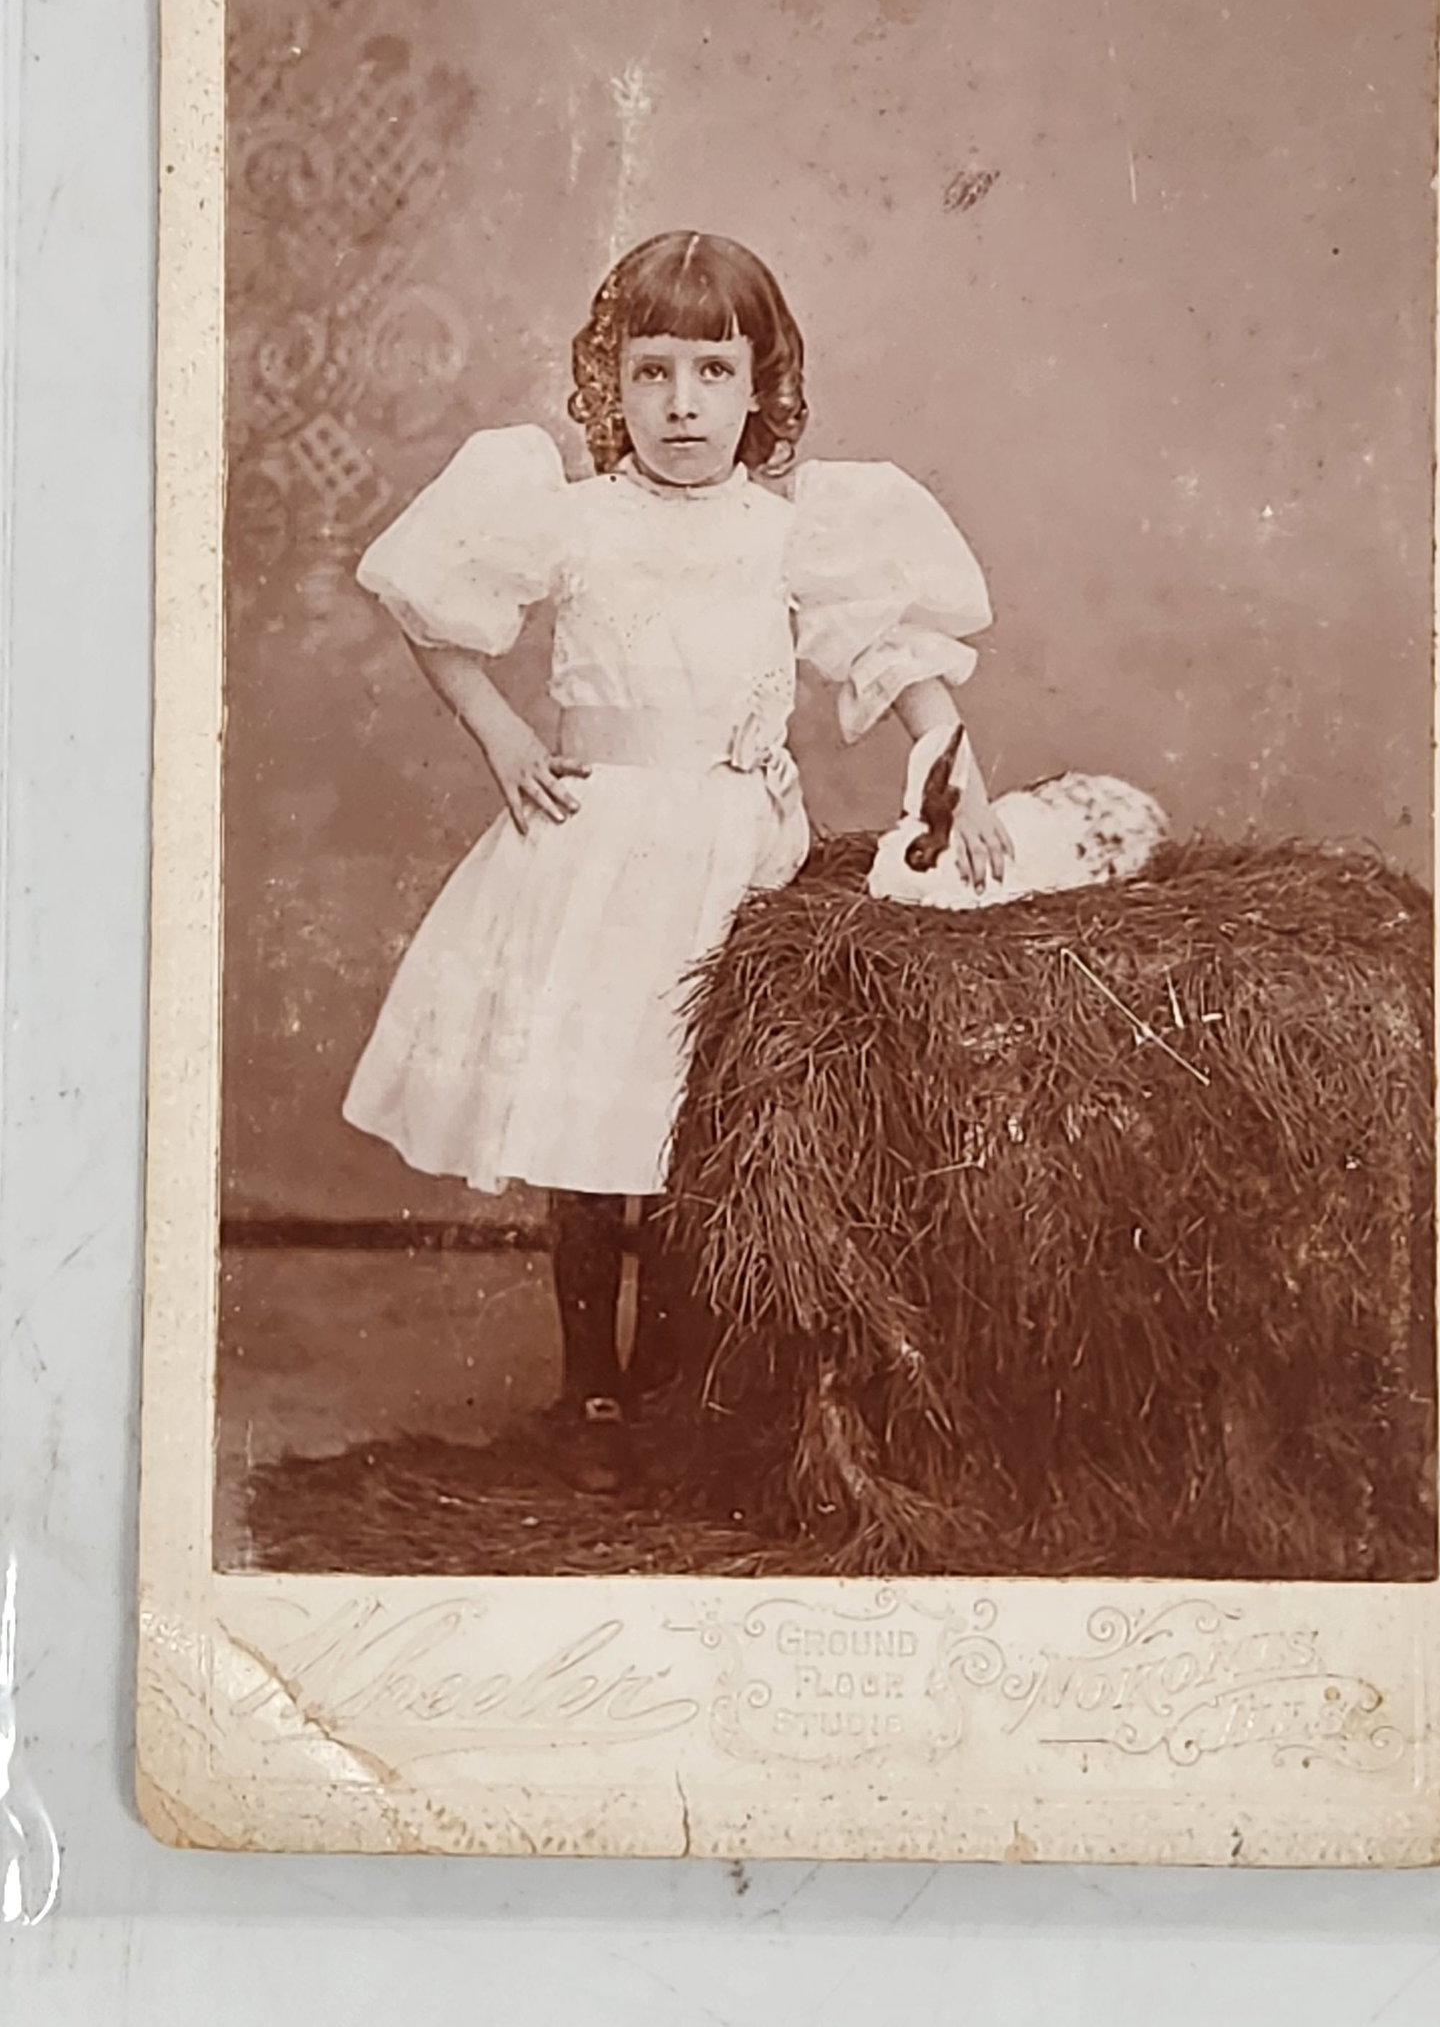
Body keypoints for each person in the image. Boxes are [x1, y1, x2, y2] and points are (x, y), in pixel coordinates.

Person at [343, 231, 1010, 1494]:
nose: (683, 405)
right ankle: (587, 1380)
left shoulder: (788, 532)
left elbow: (895, 658)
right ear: (611, 382)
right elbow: (431, 607)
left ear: (762, 385)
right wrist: (504, 737)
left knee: (695, 1128)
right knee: (585, 1125)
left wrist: (956, 771)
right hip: (594, 854)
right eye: (651, 372)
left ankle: (664, 1373)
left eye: (713, 372)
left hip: (731, 859)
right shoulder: (574, 520)